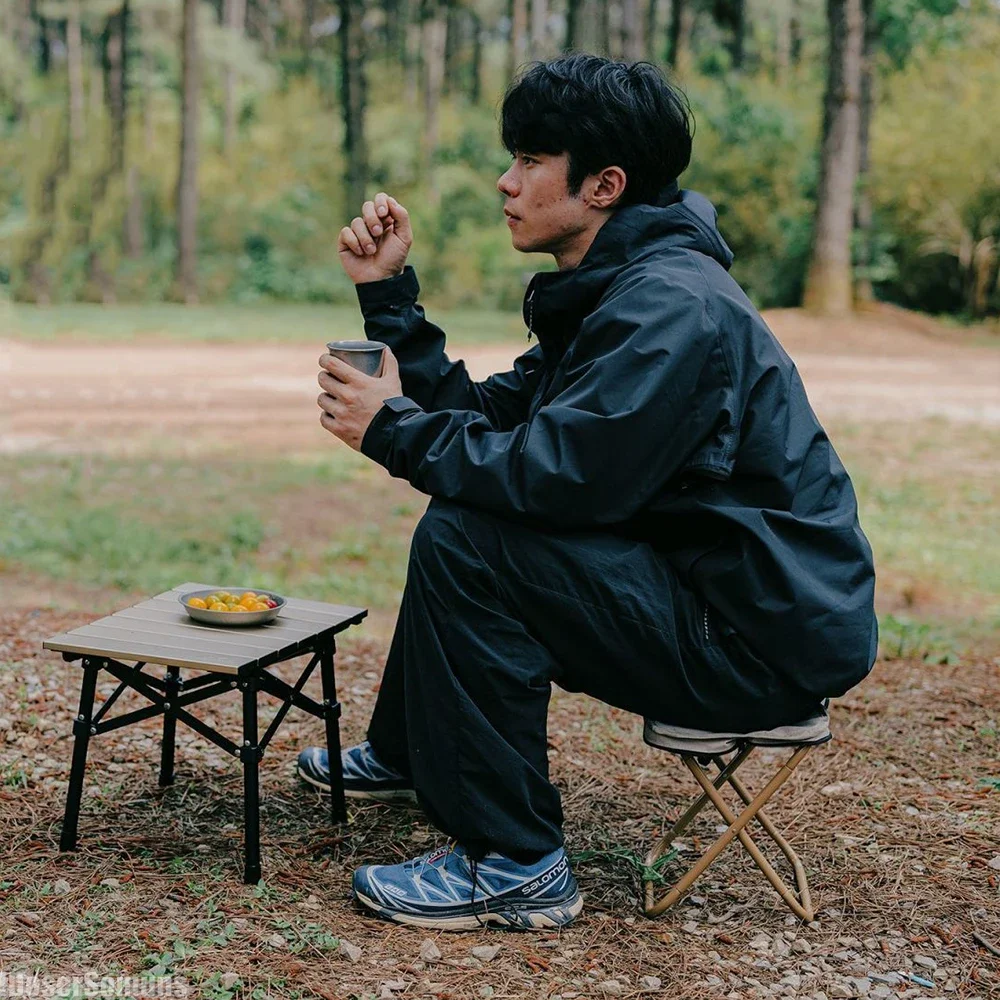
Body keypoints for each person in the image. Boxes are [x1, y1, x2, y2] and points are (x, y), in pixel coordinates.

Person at [296, 54, 878, 931]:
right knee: (468, 517)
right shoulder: (625, 289)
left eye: (530, 159)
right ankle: (411, 751)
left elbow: (554, 480)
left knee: (470, 535)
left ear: (603, 185)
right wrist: (389, 298)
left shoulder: (671, 310)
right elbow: (496, 424)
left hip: (757, 639)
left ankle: (518, 866)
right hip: (720, 597)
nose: (506, 179)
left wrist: (390, 428)